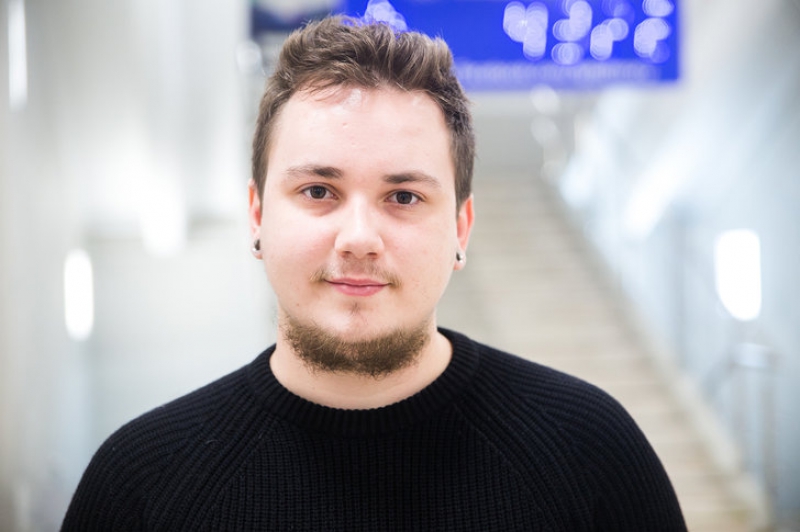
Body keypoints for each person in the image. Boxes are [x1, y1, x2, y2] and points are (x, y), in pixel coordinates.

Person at [62, 15, 687, 531]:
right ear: (257, 215)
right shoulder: (139, 482)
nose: (359, 238)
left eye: (404, 197)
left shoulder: (588, 450)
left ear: (461, 228)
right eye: (317, 191)